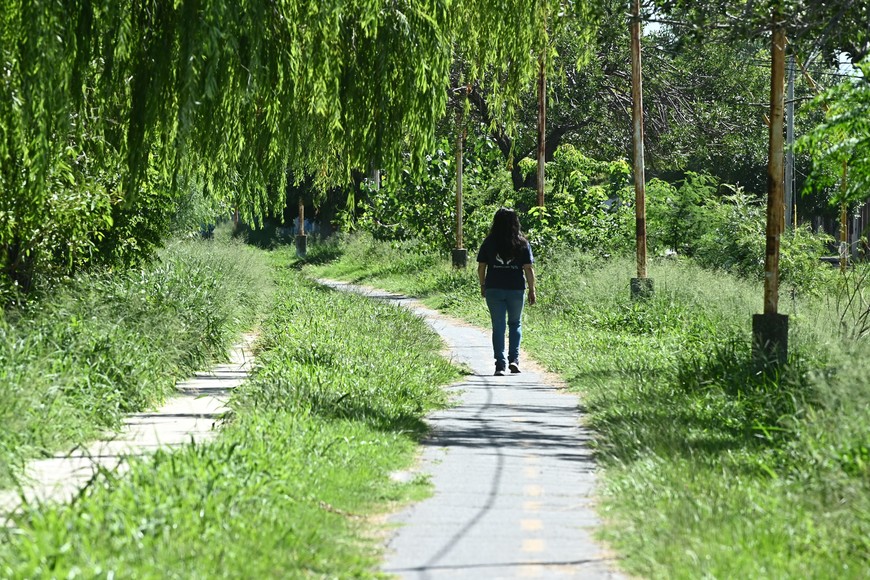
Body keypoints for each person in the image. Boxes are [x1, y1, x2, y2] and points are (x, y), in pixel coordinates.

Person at [476, 208, 536, 376]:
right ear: (515, 222)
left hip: (494, 288)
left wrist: (483, 285)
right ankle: (514, 360)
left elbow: (481, 266)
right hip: (516, 288)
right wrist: (532, 290)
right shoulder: (522, 243)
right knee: (515, 324)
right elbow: (528, 269)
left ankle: (500, 365)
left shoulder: (489, 242)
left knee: (498, 326)